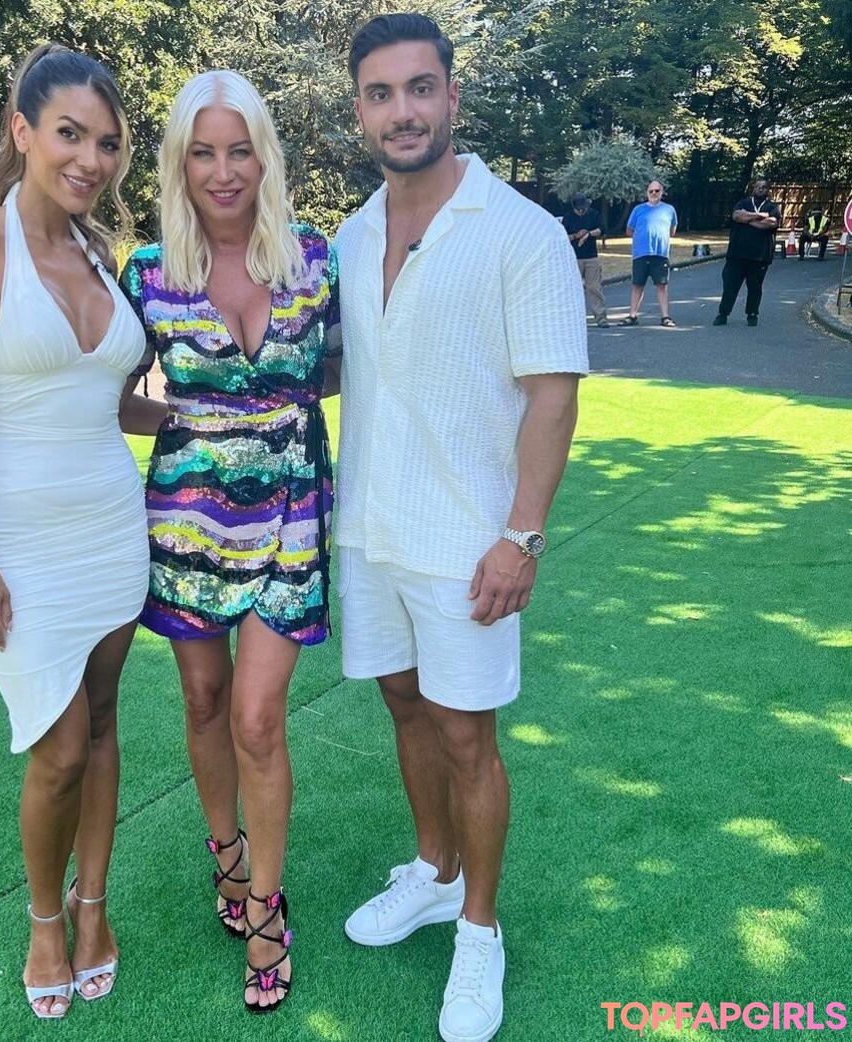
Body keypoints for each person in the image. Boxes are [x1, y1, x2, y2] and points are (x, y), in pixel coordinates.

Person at [335, 15, 588, 1042]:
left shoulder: (521, 231)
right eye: (381, 93)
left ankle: (479, 931)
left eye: (420, 88)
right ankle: (434, 872)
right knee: (403, 707)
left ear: (452, 96)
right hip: (369, 530)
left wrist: (521, 535)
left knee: (467, 737)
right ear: (360, 110)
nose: (403, 111)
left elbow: (554, 395)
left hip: (470, 544)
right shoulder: (351, 234)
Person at [0, 44, 164, 1019]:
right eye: (71, 134)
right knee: (59, 746)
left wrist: (204, 415)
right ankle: (43, 921)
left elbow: (106, 402)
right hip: (19, 549)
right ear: (23, 132)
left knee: (102, 724)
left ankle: (93, 906)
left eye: (106, 143)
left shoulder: (101, 257)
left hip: (111, 528)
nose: (90, 159)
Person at [119, 69, 340, 1014]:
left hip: (292, 515)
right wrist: (190, 423)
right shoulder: (148, 273)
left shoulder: (316, 261)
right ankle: (227, 855)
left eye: (239, 150)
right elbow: (107, 393)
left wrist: (277, 413)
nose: (223, 171)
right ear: (180, 162)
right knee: (205, 700)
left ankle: (264, 908)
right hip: (188, 521)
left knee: (256, 716)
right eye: (203, 152)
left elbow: (346, 368)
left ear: (265, 156)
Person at [712, 179, 781, 327]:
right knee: (730, 285)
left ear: (768, 190)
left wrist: (748, 219)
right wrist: (760, 216)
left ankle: (752, 314)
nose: (761, 189)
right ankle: (723, 313)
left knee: (755, 287)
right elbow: (737, 216)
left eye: (764, 187)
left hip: (759, 256)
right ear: (753, 189)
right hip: (737, 254)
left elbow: (771, 223)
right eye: (758, 187)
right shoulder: (743, 203)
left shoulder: (772, 207)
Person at [621, 180, 677, 327]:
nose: (654, 193)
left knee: (662, 285)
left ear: (662, 192)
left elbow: (672, 230)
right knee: (637, 284)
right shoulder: (638, 209)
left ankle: (665, 317)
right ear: (647, 193)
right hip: (641, 253)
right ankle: (632, 315)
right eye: (651, 191)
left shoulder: (669, 209)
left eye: (657, 190)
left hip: (660, 253)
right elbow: (629, 230)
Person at [562, 192, 609, 326]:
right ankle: (572, 318)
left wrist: (588, 234)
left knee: (594, 287)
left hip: (591, 256)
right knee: (572, 288)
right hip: (574, 258)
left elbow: (601, 229)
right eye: (578, 209)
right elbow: (563, 237)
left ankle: (601, 317)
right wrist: (575, 236)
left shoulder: (593, 214)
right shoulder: (568, 218)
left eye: (583, 208)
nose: (581, 211)